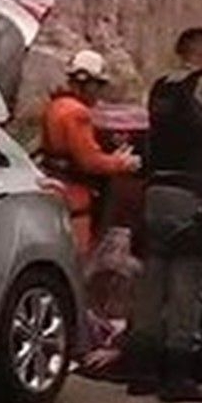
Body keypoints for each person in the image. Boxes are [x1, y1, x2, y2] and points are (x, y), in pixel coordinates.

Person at [126, 26, 202, 403]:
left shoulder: (161, 87)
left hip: (156, 193)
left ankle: (141, 369)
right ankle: (178, 375)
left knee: (152, 281)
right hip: (191, 195)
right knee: (187, 285)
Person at [39, 50, 139, 258]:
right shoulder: (78, 113)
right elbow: (89, 161)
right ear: (88, 83)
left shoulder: (55, 106)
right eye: (98, 86)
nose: (99, 93)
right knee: (78, 258)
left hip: (54, 186)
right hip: (74, 195)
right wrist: (122, 163)